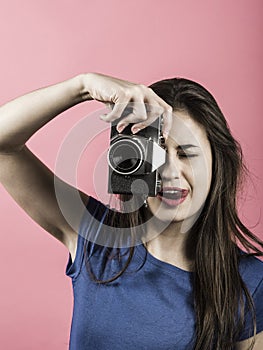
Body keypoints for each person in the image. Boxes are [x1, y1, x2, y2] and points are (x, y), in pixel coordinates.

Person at [0, 72, 262, 350]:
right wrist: (82, 86)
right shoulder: (95, 235)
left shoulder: (250, 283)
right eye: (156, 154)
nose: (171, 172)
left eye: (186, 153)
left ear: (217, 164)